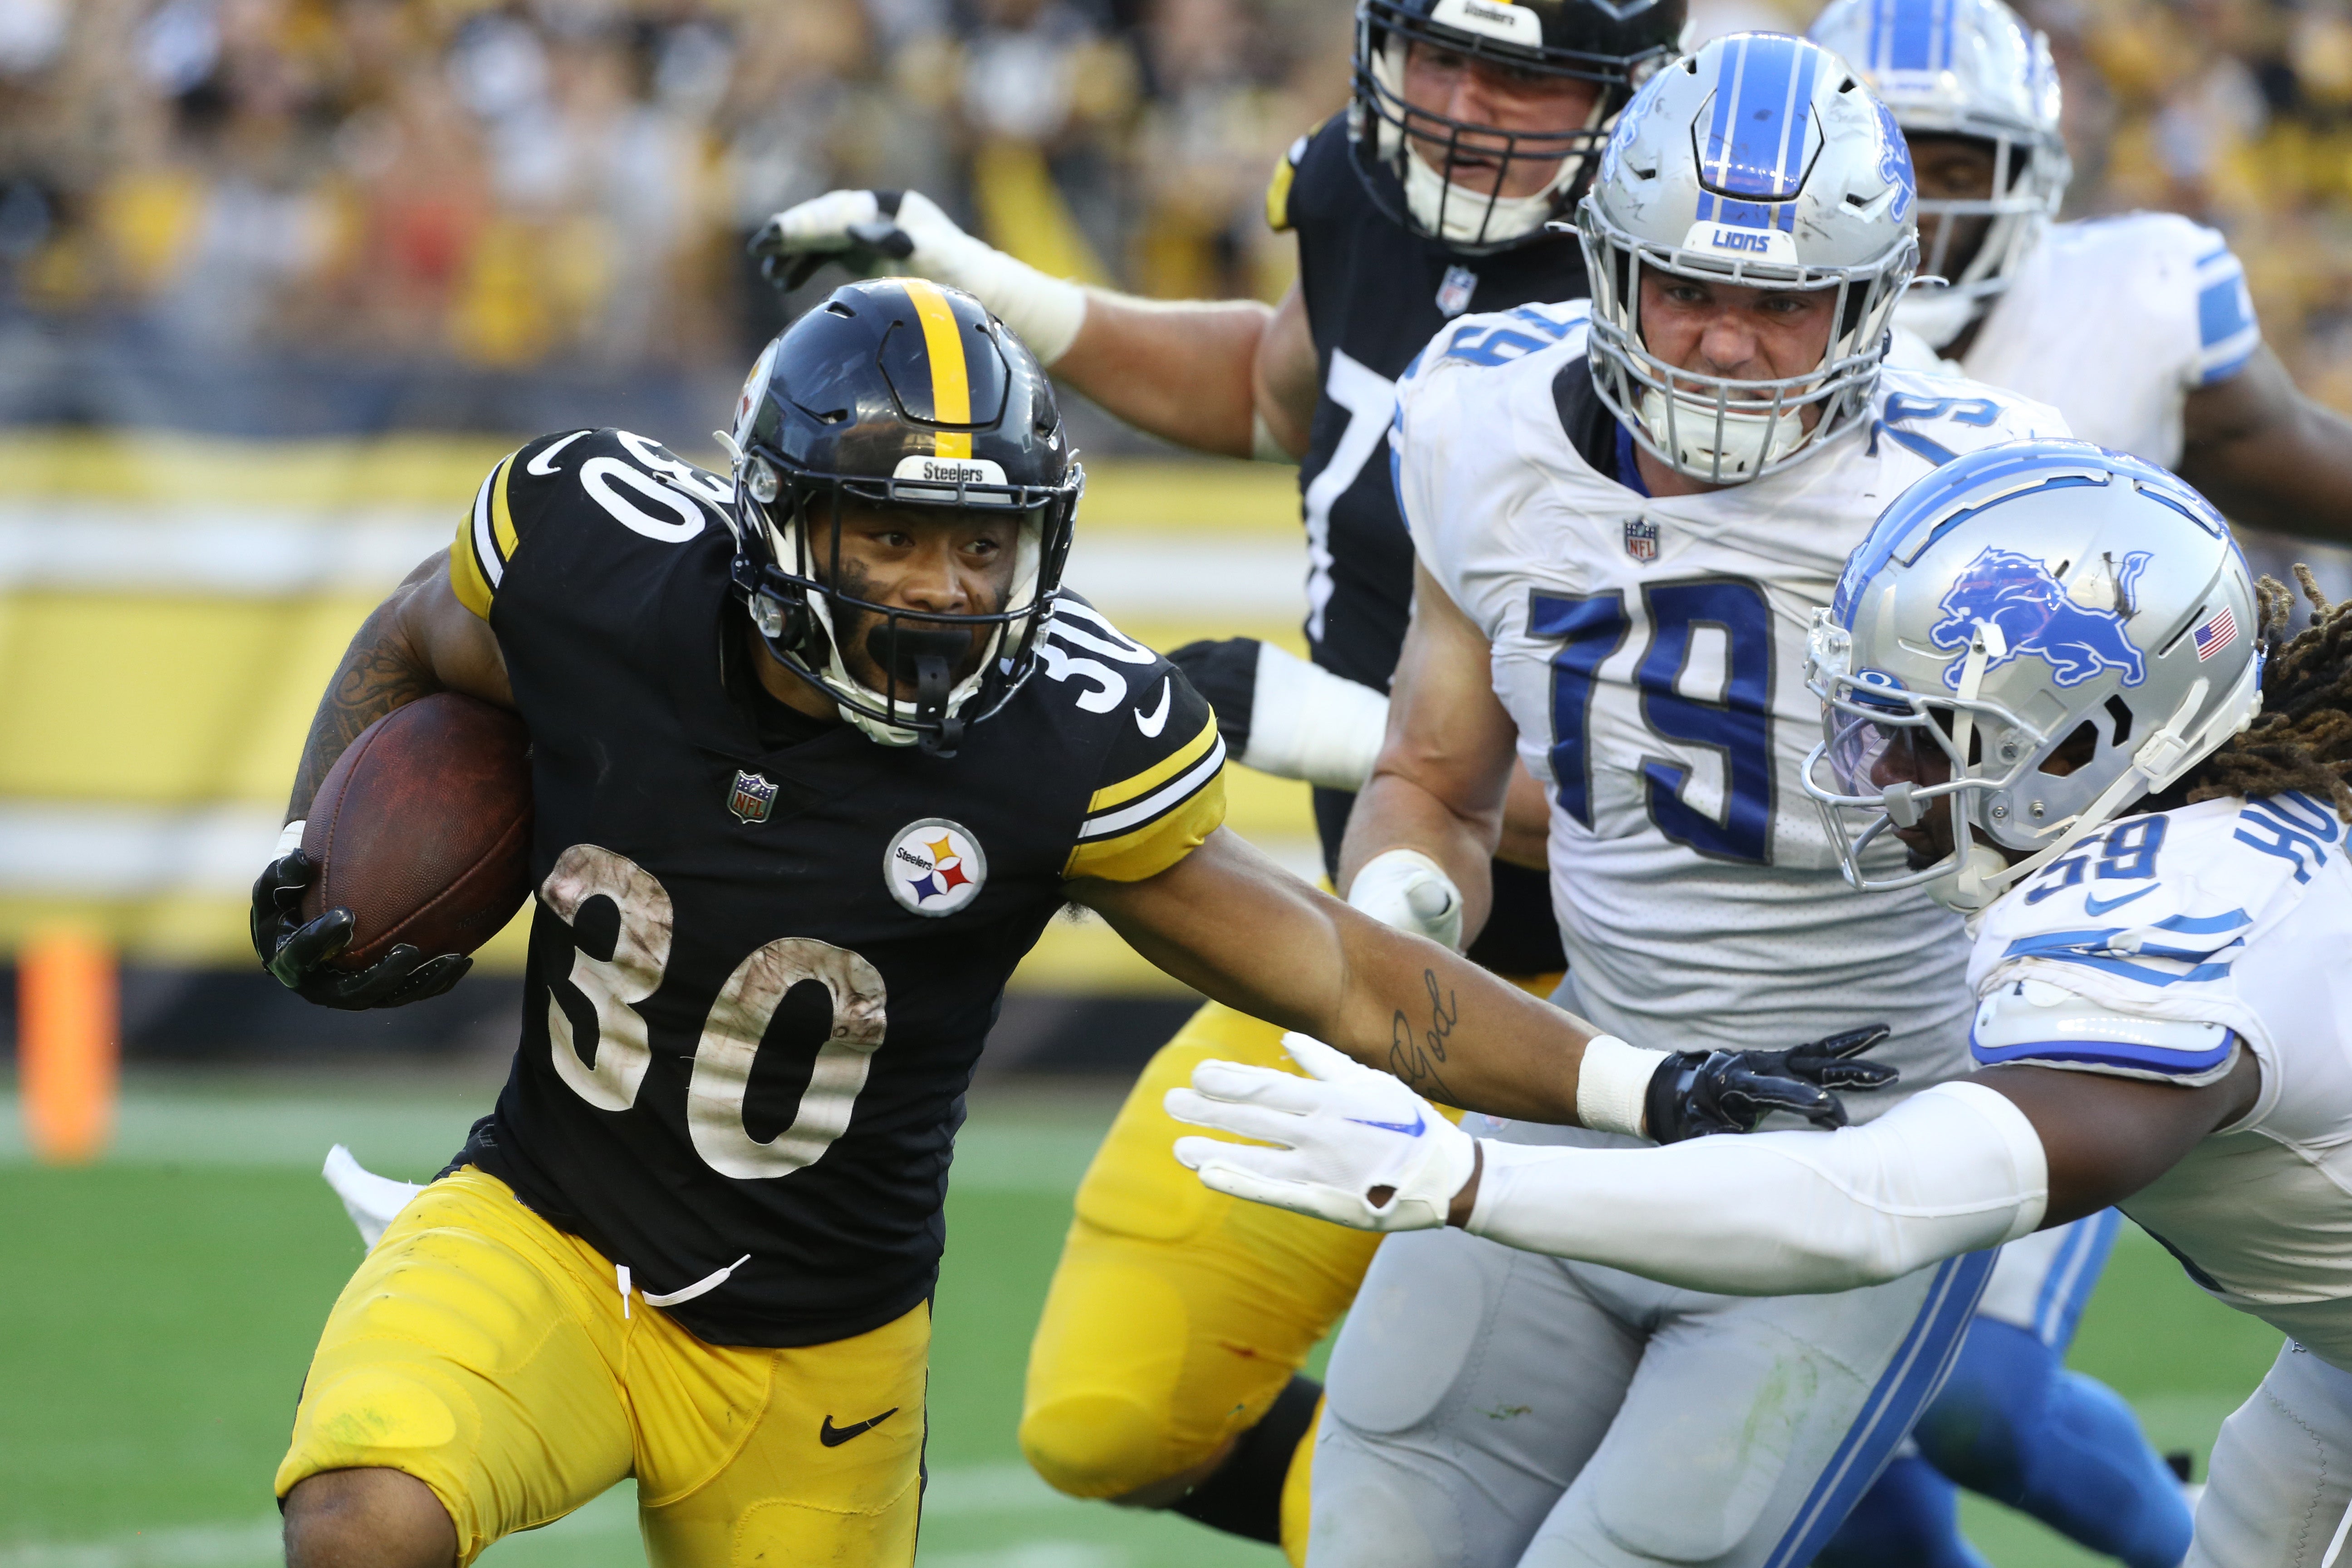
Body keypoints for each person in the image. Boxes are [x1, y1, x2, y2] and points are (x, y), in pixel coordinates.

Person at [252, 277, 1856, 1568]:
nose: (947, 588)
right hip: (541, 1224)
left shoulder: (1056, 741)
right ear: (775, 523)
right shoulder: (599, 560)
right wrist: (312, 843)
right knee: (363, 1519)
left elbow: (1345, 977)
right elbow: (416, 629)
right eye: (893, 534)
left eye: (985, 541)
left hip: (821, 1351)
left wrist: (1638, 1085)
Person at [748, 0, 1684, 1550]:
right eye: (1438, 56)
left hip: (1610, 985)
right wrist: (975, 278)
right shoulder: (1362, 196)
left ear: (1630, 95)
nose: (1460, 107)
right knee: (1111, 1410)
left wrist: (1324, 725)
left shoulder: (1671, 323)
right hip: (1378, 942)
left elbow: (1703, 786)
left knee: (1661, 1447)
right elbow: (1274, 388)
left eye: (1519, 73)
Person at [1156, 33, 2080, 1568]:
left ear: (1870, 302)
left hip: (1864, 1144)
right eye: (1688, 290)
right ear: (1603, 266)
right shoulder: (1484, 416)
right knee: (1373, 1522)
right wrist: (1402, 930)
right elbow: (1432, 778)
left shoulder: (1988, 500)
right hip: (1585, 1083)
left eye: (1778, 305)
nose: (1721, 345)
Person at [1170, 437, 2344, 1568]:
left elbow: (1876, 1203)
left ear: (2086, 743)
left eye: (1921, 740)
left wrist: (1474, 1181)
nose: (1870, 775)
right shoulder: (2201, 815)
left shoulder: (2173, 918)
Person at [1809, 0, 2352, 539]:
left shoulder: (2131, 301)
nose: (1914, 208)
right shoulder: (1737, 331)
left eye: (1955, 176)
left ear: (2026, 181)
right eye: (1877, 170)